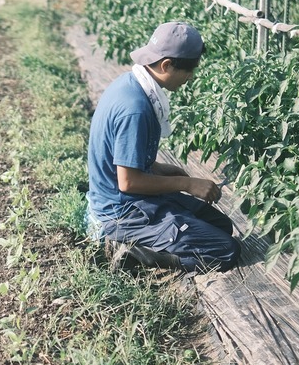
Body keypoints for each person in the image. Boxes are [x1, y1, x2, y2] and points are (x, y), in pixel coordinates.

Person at [86, 21, 240, 273]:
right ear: (166, 65)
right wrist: (187, 184)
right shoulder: (135, 109)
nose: (190, 77)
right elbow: (128, 182)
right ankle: (139, 255)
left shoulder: (131, 84)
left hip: (131, 197)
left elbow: (126, 159)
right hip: (123, 210)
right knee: (225, 250)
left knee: (220, 226)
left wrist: (162, 169)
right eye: (189, 70)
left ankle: (164, 238)